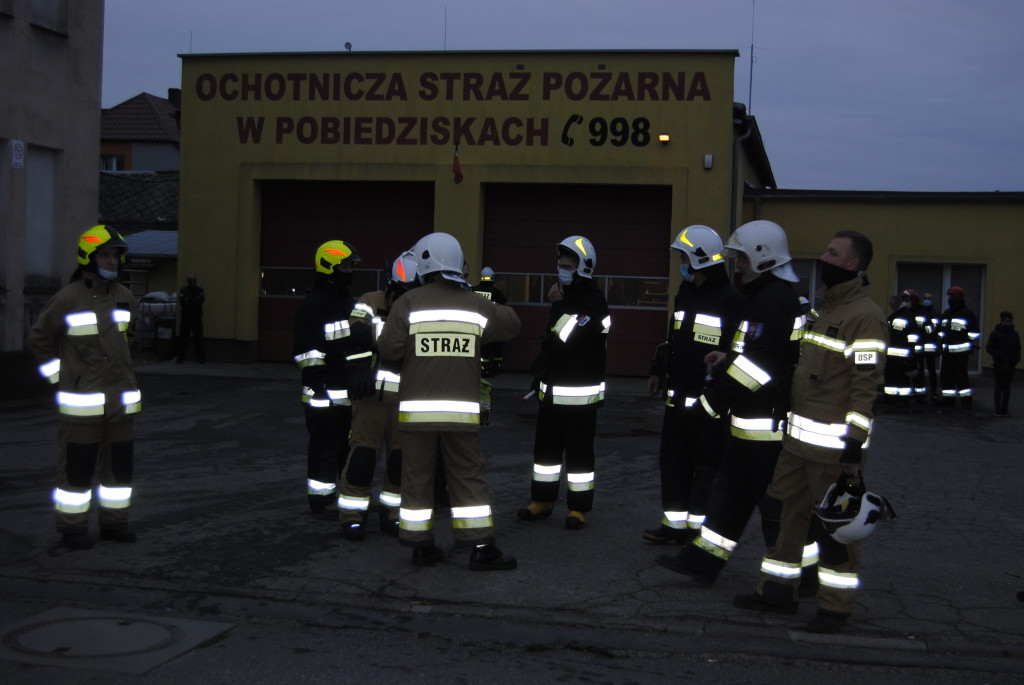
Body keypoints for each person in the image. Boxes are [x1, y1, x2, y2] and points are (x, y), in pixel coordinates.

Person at [732, 229, 887, 635]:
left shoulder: (865, 317)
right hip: (797, 444)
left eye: (832, 253)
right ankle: (777, 592)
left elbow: (866, 386)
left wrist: (853, 447)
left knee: (836, 529)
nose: (823, 257)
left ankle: (834, 608)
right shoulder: (827, 310)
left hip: (833, 452)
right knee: (788, 518)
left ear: (853, 264)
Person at [656, 220, 804, 586]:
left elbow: (759, 368)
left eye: (743, 259)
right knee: (730, 496)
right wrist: (727, 359)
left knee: (775, 506)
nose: (738, 266)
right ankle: (703, 560)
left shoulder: (771, 302)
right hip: (750, 421)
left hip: (765, 425)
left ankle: (796, 578)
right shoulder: (767, 297)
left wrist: (710, 402)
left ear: (763, 258)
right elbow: (760, 354)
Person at [376, 232, 521, 570]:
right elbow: (512, 325)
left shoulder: (407, 303)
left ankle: (421, 546)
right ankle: (481, 548)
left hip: (416, 416)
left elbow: (388, 349)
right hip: (460, 416)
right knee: (467, 476)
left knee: (417, 477)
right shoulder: (475, 304)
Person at [29, 225, 142, 550]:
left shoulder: (124, 296)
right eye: (104, 255)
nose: (111, 261)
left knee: (119, 470)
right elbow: (39, 339)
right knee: (76, 469)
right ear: (89, 259)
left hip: (120, 402)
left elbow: (128, 340)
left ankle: (115, 523)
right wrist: (60, 378)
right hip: (82, 402)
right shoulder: (68, 298)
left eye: (115, 255)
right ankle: (73, 529)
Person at [643, 225, 740, 544]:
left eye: (684, 258)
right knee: (673, 463)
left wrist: (719, 394)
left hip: (709, 404)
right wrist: (658, 369)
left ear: (700, 259)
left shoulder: (731, 300)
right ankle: (674, 524)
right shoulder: (685, 293)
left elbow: (735, 352)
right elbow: (674, 340)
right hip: (677, 400)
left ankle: (698, 530)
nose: (681, 264)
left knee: (707, 467)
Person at [517, 236, 611, 531]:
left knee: (579, 457)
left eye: (568, 266)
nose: (561, 271)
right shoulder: (566, 298)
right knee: (545, 454)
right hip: (551, 393)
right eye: (560, 265)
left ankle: (578, 508)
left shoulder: (594, 302)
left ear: (583, 268)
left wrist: (557, 306)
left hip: (580, 397)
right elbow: (553, 345)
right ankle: (542, 501)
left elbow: (566, 338)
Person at [337, 251, 418, 540]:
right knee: (362, 457)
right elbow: (355, 332)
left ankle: (392, 514)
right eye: (400, 292)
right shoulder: (368, 302)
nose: (404, 299)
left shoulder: (422, 306)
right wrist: (359, 368)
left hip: (405, 399)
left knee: (400, 461)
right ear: (390, 284)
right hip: (370, 397)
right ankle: (352, 515)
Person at [293, 241, 373, 516]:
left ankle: (349, 498)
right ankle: (321, 500)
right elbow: (308, 350)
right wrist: (318, 383)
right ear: (329, 266)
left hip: (346, 391)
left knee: (347, 448)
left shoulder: (346, 300)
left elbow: (355, 338)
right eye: (346, 266)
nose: (350, 271)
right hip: (322, 394)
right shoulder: (314, 304)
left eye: (351, 266)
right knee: (325, 448)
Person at [938, 286, 981, 409]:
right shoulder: (947, 313)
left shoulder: (967, 313)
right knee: (946, 377)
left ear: (958, 297)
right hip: (947, 352)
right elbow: (941, 330)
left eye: (951, 296)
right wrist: (940, 342)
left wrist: (969, 343)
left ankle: (966, 401)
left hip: (960, 353)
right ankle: (948, 400)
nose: (949, 299)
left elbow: (974, 332)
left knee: (961, 377)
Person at [882, 289, 919, 406]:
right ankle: (891, 397)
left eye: (892, 305)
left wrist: (911, 353)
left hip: (902, 355)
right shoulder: (894, 316)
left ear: (898, 303)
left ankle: (903, 399)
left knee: (901, 378)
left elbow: (913, 336)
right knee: (891, 378)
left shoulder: (907, 315)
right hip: (892, 355)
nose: (891, 307)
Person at [471, 266, 508, 378]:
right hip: (493, 323)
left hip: (477, 324)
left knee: (482, 347)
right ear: (492, 277)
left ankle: (483, 369)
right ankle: (496, 368)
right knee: (496, 346)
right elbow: (504, 302)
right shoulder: (496, 292)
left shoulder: (474, 290)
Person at [986, 311, 1020, 416]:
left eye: (1010, 321)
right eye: (1007, 321)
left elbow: (1017, 348)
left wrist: (1016, 359)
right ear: (1002, 321)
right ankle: (998, 409)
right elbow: (989, 347)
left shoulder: (1014, 334)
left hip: (1010, 364)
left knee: (1007, 388)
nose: (1009, 323)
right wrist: (998, 355)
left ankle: (1004, 409)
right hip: (999, 364)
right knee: (999, 387)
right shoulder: (995, 334)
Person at [914, 292, 941, 400]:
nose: (926, 300)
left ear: (931, 300)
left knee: (931, 370)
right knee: (919, 370)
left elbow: (938, 329)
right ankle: (920, 392)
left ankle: (933, 391)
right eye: (925, 298)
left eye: (928, 298)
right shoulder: (918, 313)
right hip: (920, 345)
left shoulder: (936, 314)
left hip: (930, 346)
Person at [176, 274, 206, 363]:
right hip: (189, 317)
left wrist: (188, 300)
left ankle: (199, 358)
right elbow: (183, 301)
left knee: (196, 338)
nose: (192, 282)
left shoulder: (198, 290)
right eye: (191, 280)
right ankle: (183, 357)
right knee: (186, 338)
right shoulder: (185, 290)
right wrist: (194, 300)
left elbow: (200, 300)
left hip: (193, 317)